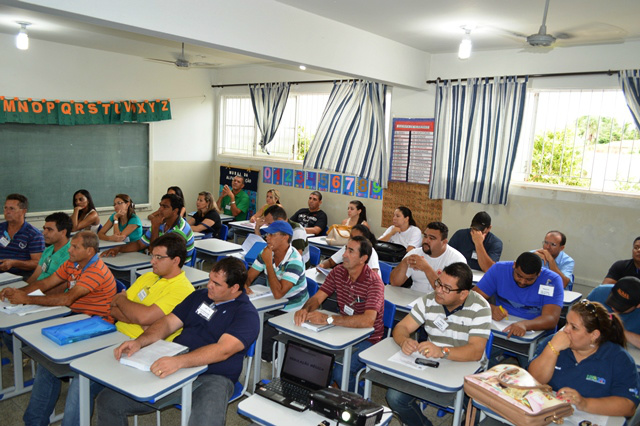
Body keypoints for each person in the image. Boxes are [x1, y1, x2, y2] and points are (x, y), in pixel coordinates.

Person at [23, 233, 195, 426]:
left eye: (158, 257)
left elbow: (143, 317)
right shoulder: (148, 276)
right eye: (151, 255)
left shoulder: (183, 290)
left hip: (142, 347)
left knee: (82, 379)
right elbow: (113, 307)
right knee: (49, 362)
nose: (152, 261)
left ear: (176, 260)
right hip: (111, 331)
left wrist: (128, 306)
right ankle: (33, 422)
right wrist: (133, 312)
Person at [94, 257, 260, 426]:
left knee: (206, 421)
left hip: (214, 376)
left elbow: (223, 350)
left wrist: (179, 362)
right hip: (175, 362)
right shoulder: (199, 296)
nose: (209, 285)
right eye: (210, 279)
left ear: (235, 288)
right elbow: (168, 323)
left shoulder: (246, 315)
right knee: (108, 401)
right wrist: (140, 342)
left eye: (216, 284)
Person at [386, 263, 492, 426]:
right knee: (394, 398)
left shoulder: (480, 307)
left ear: (463, 294)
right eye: (439, 283)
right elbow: (402, 327)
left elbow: (476, 352)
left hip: (468, 371)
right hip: (432, 364)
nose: (439, 290)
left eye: (447, 288)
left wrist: (443, 351)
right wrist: (404, 340)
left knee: (480, 416)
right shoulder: (429, 300)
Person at [294, 236, 384, 390]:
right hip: (341, 330)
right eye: (345, 249)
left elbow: (368, 321)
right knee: (311, 357)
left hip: (368, 339)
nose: (344, 255)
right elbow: (318, 298)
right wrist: (305, 309)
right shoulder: (338, 271)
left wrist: (329, 319)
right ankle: (322, 395)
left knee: (340, 372)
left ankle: (359, 403)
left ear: (363, 258)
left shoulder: (374, 282)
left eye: (350, 251)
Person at [528, 300, 639, 418]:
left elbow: (628, 406)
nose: (566, 330)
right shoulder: (554, 342)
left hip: (591, 417)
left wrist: (584, 403)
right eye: (566, 323)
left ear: (594, 335)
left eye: (574, 327)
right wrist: (552, 350)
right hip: (549, 414)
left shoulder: (619, 359)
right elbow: (532, 381)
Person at [0, 231, 116, 317]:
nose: (69, 250)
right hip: (73, 312)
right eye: (71, 245)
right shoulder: (71, 263)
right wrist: (18, 292)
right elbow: (45, 283)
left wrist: (26, 299)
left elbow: (67, 298)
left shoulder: (96, 270)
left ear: (89, 251)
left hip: (93, 319)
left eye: (75, 247)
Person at [474, 252, 564, 339]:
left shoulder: (552, 280)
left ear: (539, 273)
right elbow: (473, 298)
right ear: (514, 265)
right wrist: (490, 308)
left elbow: (551, 319)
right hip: (500, 328)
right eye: (519, 276)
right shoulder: (499, 269)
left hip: (536, 334)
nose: (522, 282)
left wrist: (525, 324)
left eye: (529, 279)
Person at [102, 193, 195, 264]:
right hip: (164, 263)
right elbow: (139, 244)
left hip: (179, 269)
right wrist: (118, 249)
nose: (160, 209)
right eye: (160, 205)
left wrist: (155, 227)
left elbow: (156, 253)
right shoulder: (162, 222)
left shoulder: (179, 230)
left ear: (175, 211)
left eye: (165, 207)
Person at [245, 220, 308, 311]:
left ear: (285, 237)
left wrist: (268, 263)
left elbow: (279, 294)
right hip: (272, 301)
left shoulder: (295, 260)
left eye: (272, 235)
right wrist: (244, 285)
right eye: (267, 234)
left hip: (291, 310)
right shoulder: (266, 252)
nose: (267, 238)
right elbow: (249, 277)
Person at [389, 221, 466, 293]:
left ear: (444, 242)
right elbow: (394, 283)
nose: (426, 241)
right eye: (425, 236)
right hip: (413, 299)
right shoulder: (415, 253)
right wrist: (404, 263)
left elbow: (445, 291)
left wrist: (426, 268)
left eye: (432, 238)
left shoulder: (457, 260)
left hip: (440, 303)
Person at [587, 277, 640, 348]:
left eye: (621, 306)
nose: (613, 308)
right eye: (613, 300)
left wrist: (617, 330)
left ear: (638, 305)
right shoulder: (599, 293)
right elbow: (577, 317)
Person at [0, 193, 44, 278]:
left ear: (23, 211)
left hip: (21, 275)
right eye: (5, 208)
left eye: (12, 209)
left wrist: (14, 263)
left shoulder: (34, 234)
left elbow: (37, 263)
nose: (7, 212)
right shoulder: (0, 228)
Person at [26, 212, 72, 284]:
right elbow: (35, 276)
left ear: (63, 232)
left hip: (49, 292)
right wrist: (21, 290)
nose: (44, 233)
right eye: (44, 228)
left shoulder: (71, 254)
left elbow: (59, 287)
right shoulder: (48, 250)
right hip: (37, 289)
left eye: (49, 229)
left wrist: (28, 292)